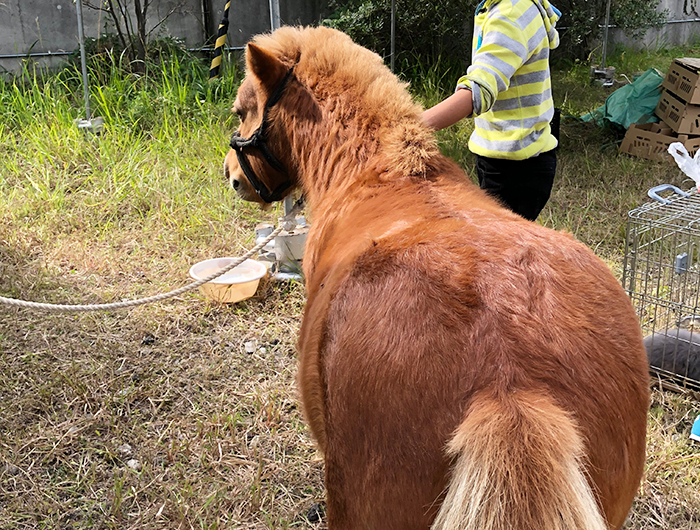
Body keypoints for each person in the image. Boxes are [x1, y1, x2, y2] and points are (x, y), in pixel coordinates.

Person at [422, 0, 561, 221]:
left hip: (515, 166)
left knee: (504, 248)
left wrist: (411, 124)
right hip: (513, 156)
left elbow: (478, 90)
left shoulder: (511, 15)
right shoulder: (501, 8)